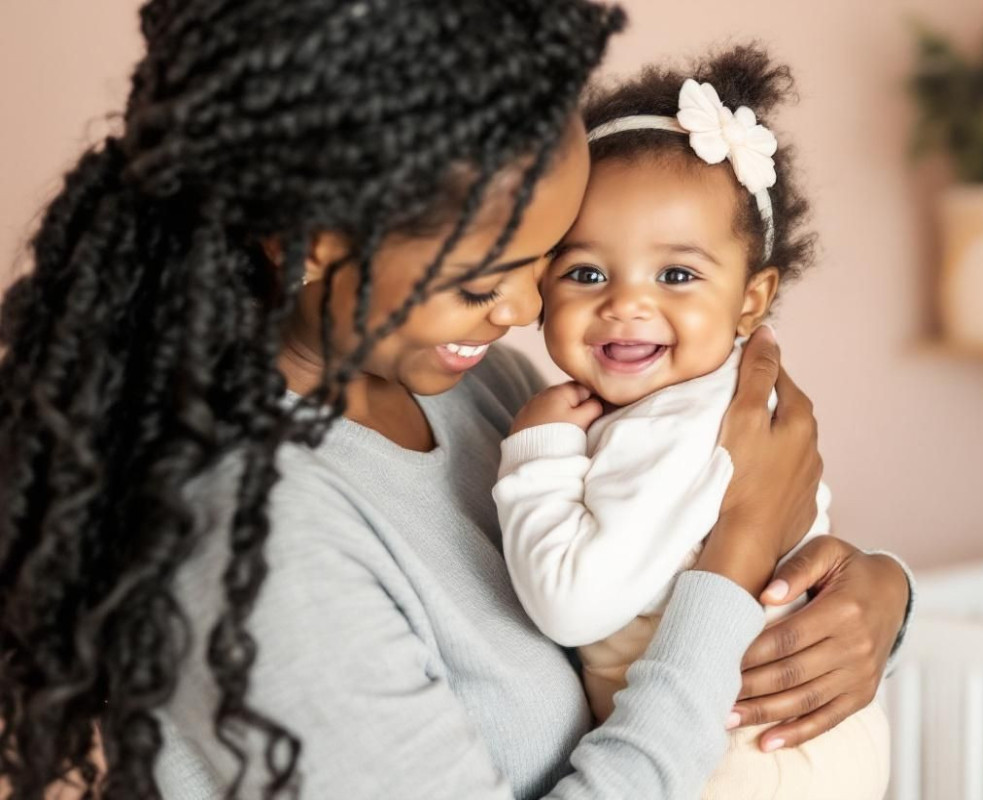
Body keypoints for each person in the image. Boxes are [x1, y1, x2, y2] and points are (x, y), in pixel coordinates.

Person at [0, 2, 913, 798]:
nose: (522, 312)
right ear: (305, 238)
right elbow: (705, 573)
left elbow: (662, 562)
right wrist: (739, 550)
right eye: (483, 280)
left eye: (546, 263)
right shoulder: (254, 543)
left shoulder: (483, 394)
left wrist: (871, 597)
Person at [495, 46, 890, 800]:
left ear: (751, 299)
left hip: (741, 750)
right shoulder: (691, 401)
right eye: (586, 272)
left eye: (676, 275)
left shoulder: (676, 426)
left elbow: (568, 601)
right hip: (754, 734)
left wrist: (537, 454)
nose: (627, 303)